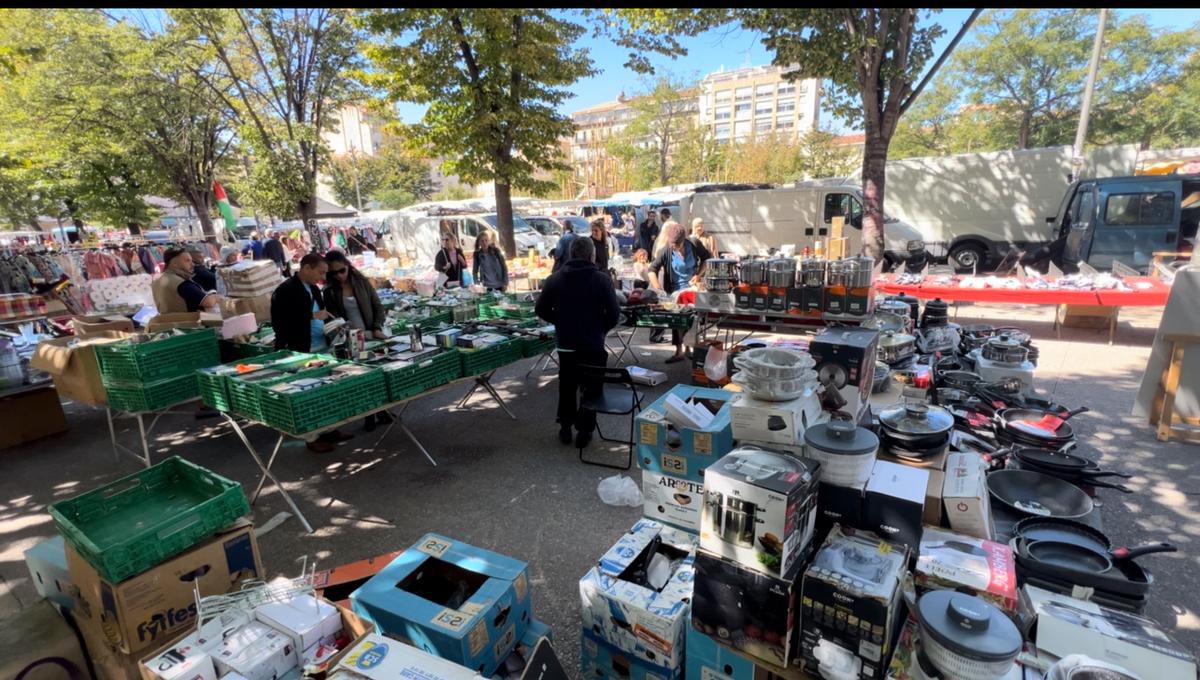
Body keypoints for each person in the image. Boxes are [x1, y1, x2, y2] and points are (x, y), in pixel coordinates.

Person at [535, 236, 621, 449]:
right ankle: (584, 431)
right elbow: (614, 313)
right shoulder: (601, 280)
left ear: (571, 254)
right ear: (591, 255)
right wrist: (600, 329)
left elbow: (541, 309)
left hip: (567, 344)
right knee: (591, 388)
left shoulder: (554, 279)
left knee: (567, 385)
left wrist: (561, 322)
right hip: (592, 343)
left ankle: (565, 427)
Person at [270, 253, 353, 452]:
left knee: (328, 390)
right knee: (307, 393)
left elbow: (321, 314)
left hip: (320, 344)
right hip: (300, 348)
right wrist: (311, 315)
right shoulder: (285, 290)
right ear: (307, 267)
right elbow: (280, 322)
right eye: (320, 272)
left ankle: (330, 429)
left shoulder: (314, 288)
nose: (322, 277)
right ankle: (311, 438)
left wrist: (333, 325)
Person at [323, 250, 391, 432]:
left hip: (370, 334)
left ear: (348, 266)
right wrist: (342, 331)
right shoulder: (329, 291)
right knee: (363, 376)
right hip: (350, 339)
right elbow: (332, 318)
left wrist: (376, 327)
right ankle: (369, 413)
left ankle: (382, 409)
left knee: (377, 372)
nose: (338, 276)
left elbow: (378, 307)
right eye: (333, 273)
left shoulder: (362, 283)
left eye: (341, 270)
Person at [648, 221, 711, 364]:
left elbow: (707, 259)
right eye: (673, 246)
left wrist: (699, 275)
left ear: (684, 240)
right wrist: (658, 288)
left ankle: (689, 349)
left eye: (678, 246)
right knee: (677, 320)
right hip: (675, 290)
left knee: (693, 319)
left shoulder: (694, 243)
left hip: (692, 288)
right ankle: (679, 351)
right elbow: (652, 269)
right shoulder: (666, 250)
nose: (675, 249)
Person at [152, 248, 222, 314]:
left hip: (169, 323)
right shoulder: (180, 282)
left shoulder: (159, 279)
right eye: (187, 261)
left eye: (191, 261)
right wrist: (217, 296)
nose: (192, 264)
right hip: (186, 323)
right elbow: (208, 302)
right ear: (174, 264)